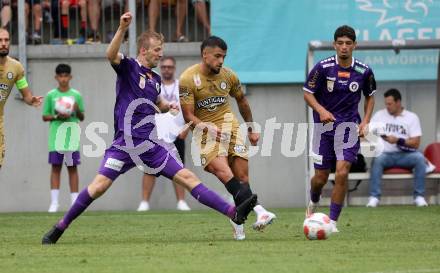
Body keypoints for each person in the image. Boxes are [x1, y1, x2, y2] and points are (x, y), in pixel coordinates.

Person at [41, 12, 257, 245]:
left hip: (150, 145)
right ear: (144, 50)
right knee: (99, 186)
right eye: (157, 50)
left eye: (161, 50)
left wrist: (169, 106)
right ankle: (60, 226)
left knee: (187, 176)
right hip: (124, 144)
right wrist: (122, 29)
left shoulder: (154, 79)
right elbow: (110, 54)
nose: (161, 54)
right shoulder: (128, 67)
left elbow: (158, 104)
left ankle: (233, 213)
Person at [179, 35, 276, 241]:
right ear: (205, 55)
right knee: (223, 172)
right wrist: (206, 127)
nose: (221, 61)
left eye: (223, 57)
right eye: (217, 56)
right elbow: (188, 115)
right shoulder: (188, 79)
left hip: (230, 128)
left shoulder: (229, 76)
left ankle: (237, 220)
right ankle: (260, 210)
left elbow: (241, 100)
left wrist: (251, 127)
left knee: (242, 179)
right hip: (206, 133)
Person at [303, 25, 376, 232]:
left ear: (355, 45)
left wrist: (366, 121)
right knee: (320, 178)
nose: (344, 47)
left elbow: (370, 96)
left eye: (348, 43)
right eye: (340, 43)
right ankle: (314, 201)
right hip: (323, 129)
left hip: (348, 128)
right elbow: (307, 93)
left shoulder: (363, 71)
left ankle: (332, 222)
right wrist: (321, 110)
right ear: (334, 45)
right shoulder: (322, 68)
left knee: (342, 173)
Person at [137, 56, 191, 212]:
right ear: (161, 68)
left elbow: (190, 110)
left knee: (179, 167)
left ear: (174, 68)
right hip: (155, 131)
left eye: (170, 67)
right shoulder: (153, 83)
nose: (167, 69)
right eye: (164, 67)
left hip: (176, 132)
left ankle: (181, 201)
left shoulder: (181, 86)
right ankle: (144, 202)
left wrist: (186, 128)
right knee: (149, 167)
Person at [366, 88, 428, 207]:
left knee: (420, 158)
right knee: (377, 159)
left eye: (390, 104)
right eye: (386, 104)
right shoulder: (379, 115)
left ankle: (419, 197)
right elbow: (368, 133)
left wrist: (398, 140)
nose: (387, 106)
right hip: (385, 155)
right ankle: (374, 197)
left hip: (405, 155)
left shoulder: (411, 117)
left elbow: (416, 143)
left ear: (398, 102)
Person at [42, 63, 85, 213]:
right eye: (61, 76)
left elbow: (82, 116)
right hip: (56, 138)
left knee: (72, 168)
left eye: (66, 76)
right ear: (56, 77)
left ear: (70, 77)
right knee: (55, 168)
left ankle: (75, 202)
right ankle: (54, 203)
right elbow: (45, 116)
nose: (63, 79)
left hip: (71, 137)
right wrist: (56, 115)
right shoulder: (51, 95)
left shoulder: (76, 95)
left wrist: (76, 109)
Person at [0, 28, 43, 169]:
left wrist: (31, 100)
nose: (3, 44)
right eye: (0, 40)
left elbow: (25, 94)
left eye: (6, 40)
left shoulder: (16, 67)